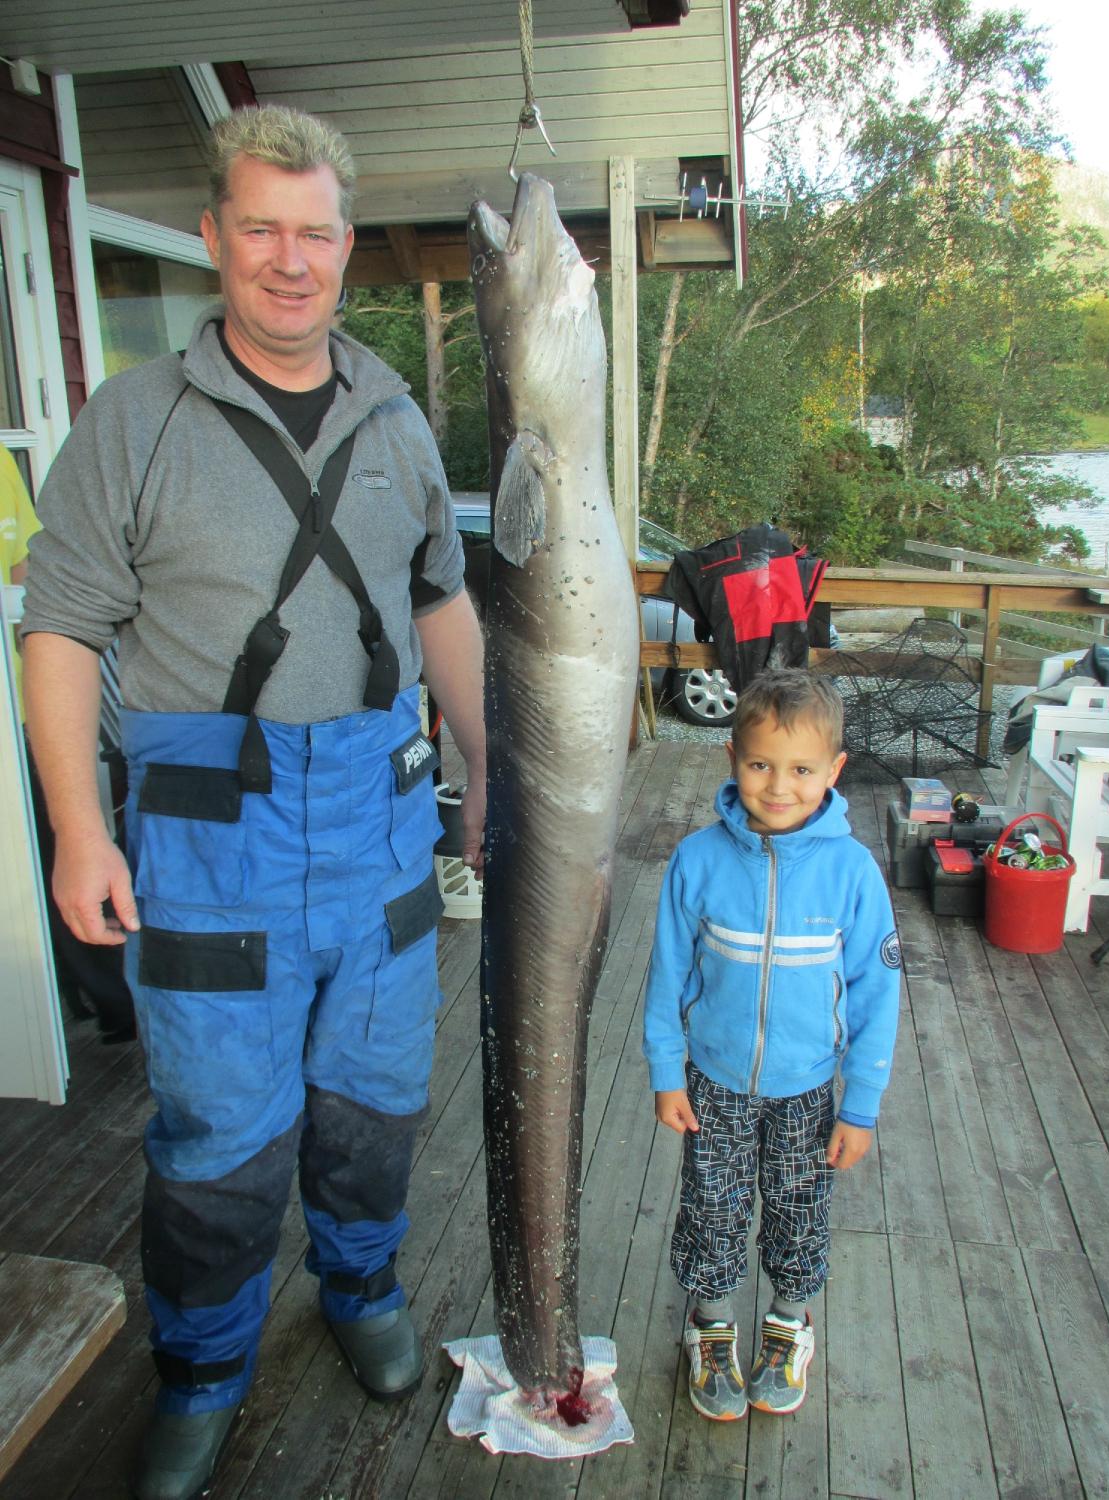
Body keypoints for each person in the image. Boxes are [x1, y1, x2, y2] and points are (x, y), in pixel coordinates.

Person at [22, 104, 485, 1500]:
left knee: (375, 1101)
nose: (292, 260)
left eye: (318, 232)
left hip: (383, 829)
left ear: (348, 245)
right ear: (216, 238)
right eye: (262, 229)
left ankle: (359, 1290)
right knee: (217, 1132)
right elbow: (57, 632)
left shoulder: (399, 418)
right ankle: (207, 1366)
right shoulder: (131, 425)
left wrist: (489, 765)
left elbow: (441, 603)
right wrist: (79, 829)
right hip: (207, 842)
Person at [643, 670, 900, 1422]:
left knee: (799, 1208)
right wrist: (668, 1072)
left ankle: (789, 1325)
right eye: (760, 764)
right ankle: (711, 1327)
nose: (778, 786)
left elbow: (877, 995)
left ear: (833, 771)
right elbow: (666, 977)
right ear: (731, 758)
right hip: (713, 1081)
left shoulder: (853, 872)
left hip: (809, 1088)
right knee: (711, 1209)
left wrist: (861, 1106)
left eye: (800, 770)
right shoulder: (695, 860)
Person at [2, 445, 134, 1040]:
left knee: (67, 854)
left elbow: (28, 582)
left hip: (22, 713)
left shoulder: (3, 465)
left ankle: (116, 1006)